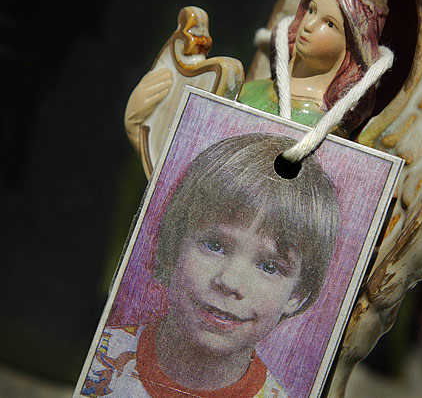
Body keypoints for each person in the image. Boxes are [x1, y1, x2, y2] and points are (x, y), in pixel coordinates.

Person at [81, 133, 340, 398]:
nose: (230, 282)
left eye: (269, 267)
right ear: (174, 244)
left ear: (298, 295)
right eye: (214, 246)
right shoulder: (99, 357)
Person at [238, 0, 388, 137]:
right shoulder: (249, 89)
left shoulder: (327, 130)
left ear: (353, 46)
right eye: (311, 10)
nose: (309, 25)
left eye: (330, 24)